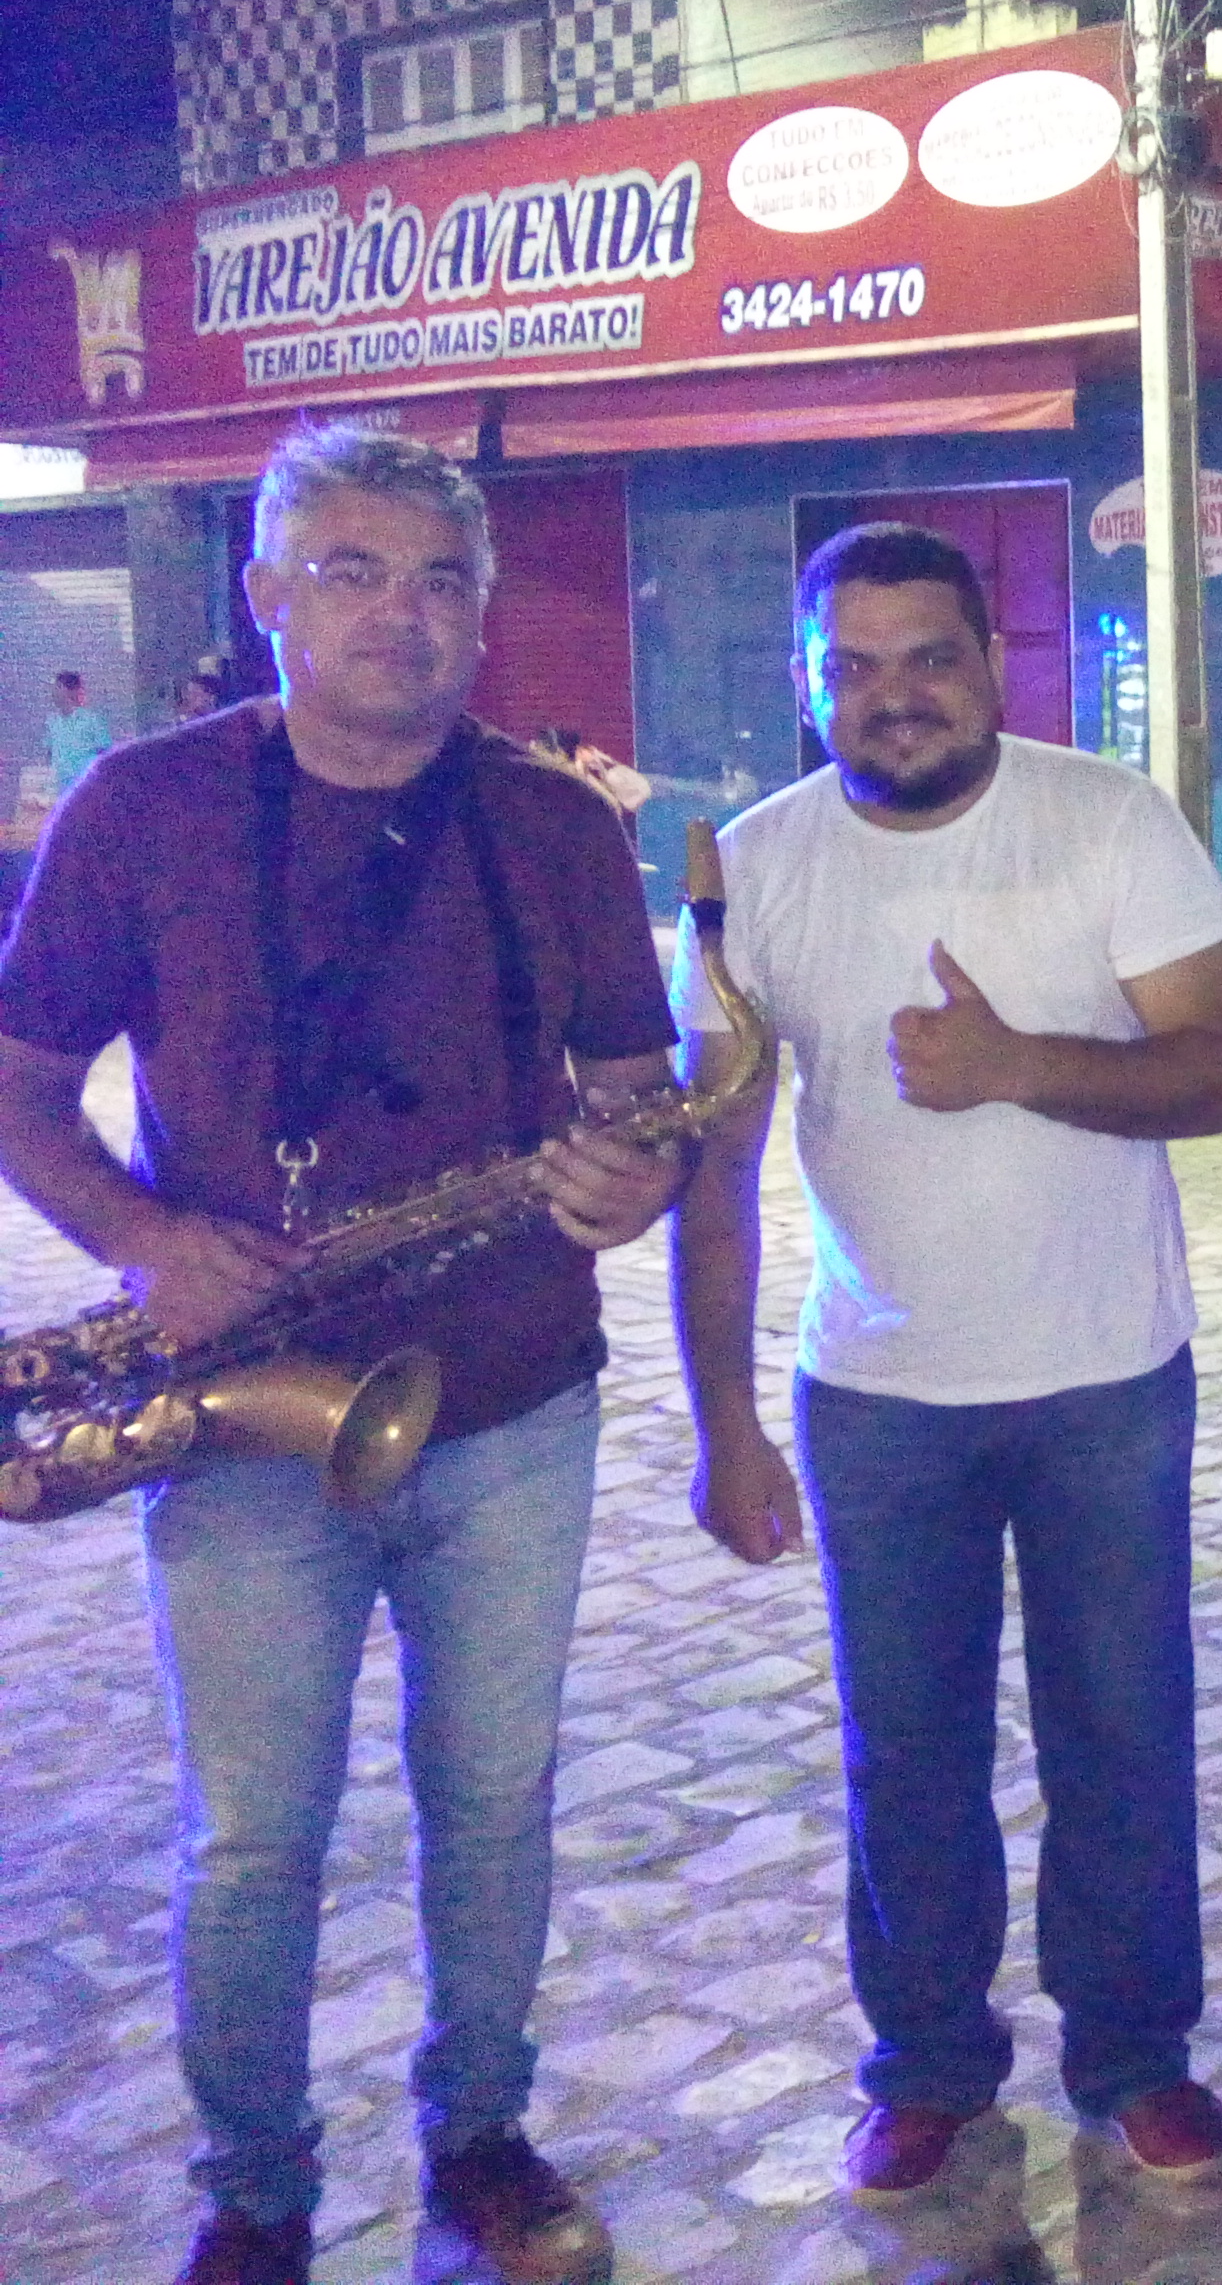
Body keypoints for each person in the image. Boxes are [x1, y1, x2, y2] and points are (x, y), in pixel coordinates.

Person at [0, 421, 685, 2285]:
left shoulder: (553, 823)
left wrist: (633, 1174)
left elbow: (637, 1096)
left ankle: (481, 2133)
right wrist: (147, 1241)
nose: (403, 614)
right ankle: (254, 2186)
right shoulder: (141, 807)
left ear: (482, 610)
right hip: (245, 1415)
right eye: (355, 572)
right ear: (268, 597)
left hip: (512, 1399)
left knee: (494, 1805)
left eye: (442, 578)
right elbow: (24, 1086)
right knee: (248, 1840)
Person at [671, 522, 1222, 2203]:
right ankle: (927, 2062)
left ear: (993, 661)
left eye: (928, 656)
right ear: (810, 686)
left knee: (1121, 1733)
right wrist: (724, 1422)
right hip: (874, 1394)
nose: (895, 694)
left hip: (1104, 1377)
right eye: (851, 667)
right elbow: (714, 1172)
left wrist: (1015, 1063)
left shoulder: (1107, 820)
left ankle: (1135, 2054)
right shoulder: (753, 868)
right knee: (906, 1749)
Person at [45, 667, 112, 795]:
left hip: (87, 787)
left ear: (69, 690)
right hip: (60, 789)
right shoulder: (52, 722)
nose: (53, 693)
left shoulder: (92, 719)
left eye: (58, 687)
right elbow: (49, 753)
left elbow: (105, 752)